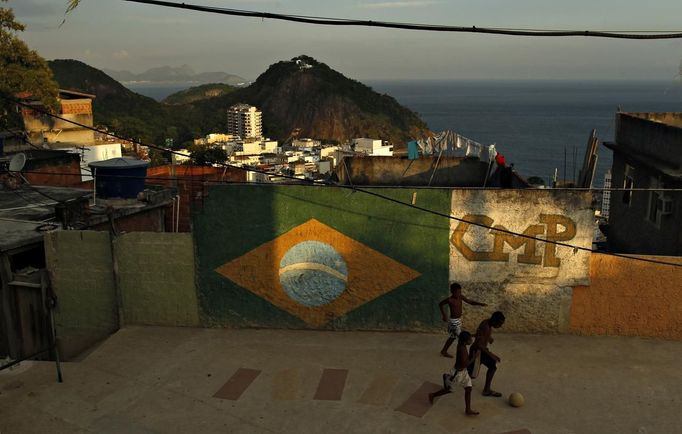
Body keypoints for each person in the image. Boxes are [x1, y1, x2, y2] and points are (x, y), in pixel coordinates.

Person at [428, 331, 479, 416]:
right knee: (449, 390)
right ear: (464, 341)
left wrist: (474, 335)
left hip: (464, 372)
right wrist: (474, 357)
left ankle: (468, 409)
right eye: (470, 339)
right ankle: (433, 395)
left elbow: (462, 336)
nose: (471, 341)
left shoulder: (462, 343)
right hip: (457, 374)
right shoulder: (461, 349)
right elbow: (465, 364)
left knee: (468, 389)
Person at [438, 282, 486, 358]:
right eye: (457, 292)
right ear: (452, 291)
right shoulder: (450, 300)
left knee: (453, 337)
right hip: (453, 322)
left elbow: (470, 302)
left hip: (458, 320)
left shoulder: (461, 297)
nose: (458, 294)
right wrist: (444, 315)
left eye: (460, 292)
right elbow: (440, 304)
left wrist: (480, 304)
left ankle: (444, 351)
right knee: (461, 338)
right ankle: (463, 353)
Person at [469, 311, 505, 397]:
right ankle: (449, 377)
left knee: (492, 366)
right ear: (494, 320)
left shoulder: (487, 323)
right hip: (477, 352)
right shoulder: (485, 326)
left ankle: (486, 390)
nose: (500, 326)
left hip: (480, 351)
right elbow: (479, 345)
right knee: (470, 374)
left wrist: (489, 337)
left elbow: (480, 334)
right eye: (499, 324)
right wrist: (492, 355)